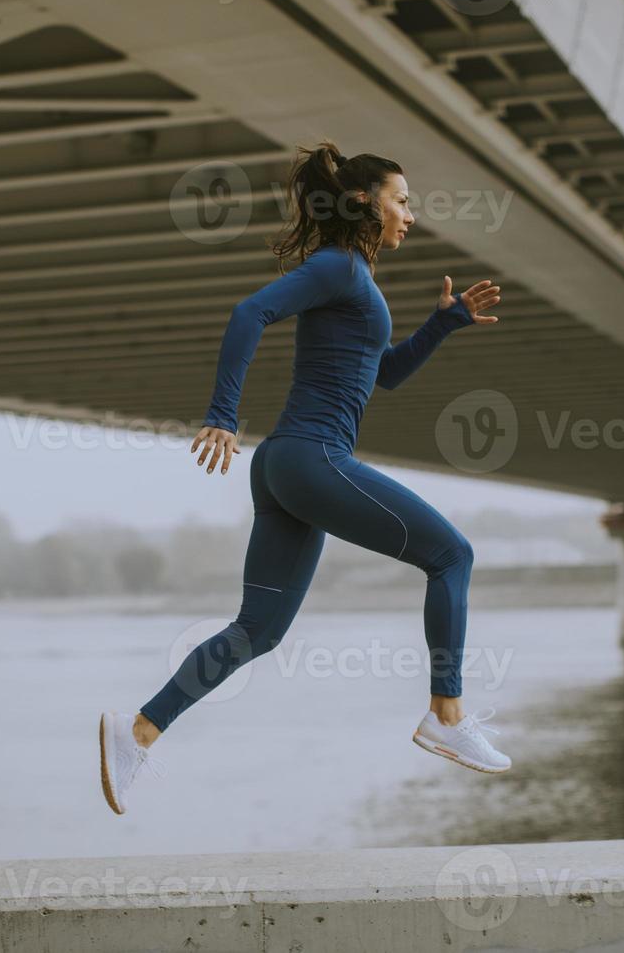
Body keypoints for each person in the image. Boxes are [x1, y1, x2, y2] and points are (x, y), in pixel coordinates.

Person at [100, 140, 508, 815]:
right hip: (311, 457)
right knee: (452, 555)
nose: (410, 215)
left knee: (257, 630)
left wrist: (443, 325)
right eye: (402, 202)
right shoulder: (339, 268)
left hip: (289, 465)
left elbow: (383, 374)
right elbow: (249, 312)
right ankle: (448, 715)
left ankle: (136, 732)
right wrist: (222, 415)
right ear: (363, 202)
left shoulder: (356, 282)